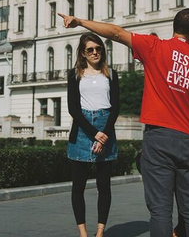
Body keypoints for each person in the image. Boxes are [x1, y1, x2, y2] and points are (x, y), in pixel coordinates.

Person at [60, 8, 189, 237]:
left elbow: (115, 33)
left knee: (161, 209)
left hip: (158, 138)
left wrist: (80, 21)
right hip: (188, 139)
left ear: (174, 27)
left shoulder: (154, 46)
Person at [66, 32, 120, 237]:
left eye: (98, 49)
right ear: (83, 53)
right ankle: (83, 233)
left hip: (106, 127)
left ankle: (100, 231)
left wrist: (104, 134)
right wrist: (94, 134)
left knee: (103, 186)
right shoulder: (74, 75)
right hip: (82, 129)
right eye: (90, 50)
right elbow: (73, 109)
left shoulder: (111, 74)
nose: (95, 52)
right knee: (78, 185)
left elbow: (115, 108)